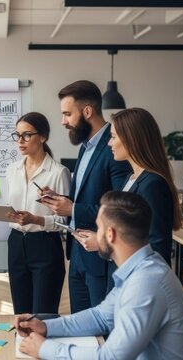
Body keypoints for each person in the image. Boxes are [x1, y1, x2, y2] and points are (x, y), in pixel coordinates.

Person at [14, 191, 183, 360]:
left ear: (110, 234)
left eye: (98, 228)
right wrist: (46, 327)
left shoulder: (145, 283)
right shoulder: (141, 267)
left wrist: (46, 349)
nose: (96, 233)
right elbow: (101, 317)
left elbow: (111, 358)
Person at [39, 80, 131, 313]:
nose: (63, 121)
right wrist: (59, 198)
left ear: (87, 111)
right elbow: (85, 197)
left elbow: (121, 208)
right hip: (78, 252)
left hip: (100, 255)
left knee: (100, 328)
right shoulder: (85, 146)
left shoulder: (114, 149)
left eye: (67, 114)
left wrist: (73, 210)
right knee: (81, 325)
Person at [0, 112, 70, 314]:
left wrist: (36, 219)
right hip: (16, 243)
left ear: (43, 137)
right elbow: (12, 204)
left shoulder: (58, 172)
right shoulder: (11, 169)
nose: (20, 141)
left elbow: (66, 220)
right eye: (17, 135)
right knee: (21, 313)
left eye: (26, 135)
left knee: (43, 313)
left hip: (45, 245)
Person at [75, 108, 181, 267]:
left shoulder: (153, 185)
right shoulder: (130, 178)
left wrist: (102, 245)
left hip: (139, 282)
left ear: (132, 139)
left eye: (113, 137)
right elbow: (128, 236)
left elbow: (157, 248)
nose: (109, 143)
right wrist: (101, 238)